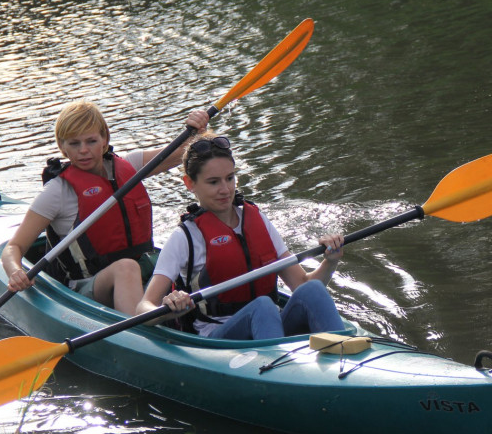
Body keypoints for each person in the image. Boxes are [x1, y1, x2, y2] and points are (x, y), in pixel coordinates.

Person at [1, 100, 209, 313]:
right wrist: (15, 271)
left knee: (189, 257)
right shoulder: (57, 191)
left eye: (91, 141)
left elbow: (185, 151)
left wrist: (197, 130)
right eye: (74, 143)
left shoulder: (131, 165)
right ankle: (143, 330)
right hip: (86, 288)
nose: (83, 150)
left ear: (104, 139)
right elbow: (13, 248)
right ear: (62, 146)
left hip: (141, 270)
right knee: (125, 267)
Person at [135, 134, 346, 340]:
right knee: (262, 306)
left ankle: (342, 350)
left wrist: (330, 261)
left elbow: (301, 283)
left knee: (313, 289)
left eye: (230, 178)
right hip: (220, 338)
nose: (225, 189)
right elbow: (143, 309)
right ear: (190, 183)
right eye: (213, 182)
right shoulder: (185, 237)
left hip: (270, 327)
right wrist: (171, 306)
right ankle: (276, 368)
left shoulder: (257, 219)